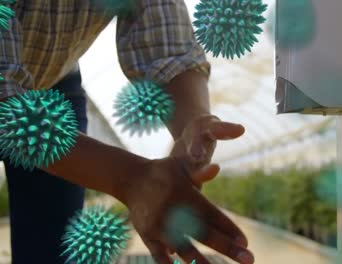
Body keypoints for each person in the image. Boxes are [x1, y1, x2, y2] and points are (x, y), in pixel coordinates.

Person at [0, 1, 254, 264]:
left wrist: (194, 123)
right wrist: (131, 178)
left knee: (53, 248)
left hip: (55, 80)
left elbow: (166, 44)